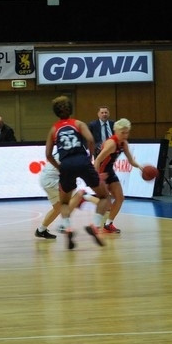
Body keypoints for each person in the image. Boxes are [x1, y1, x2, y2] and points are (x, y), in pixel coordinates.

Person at [45, 95, 111, 249]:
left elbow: (48, 155)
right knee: (104, 196)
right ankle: (95, 225)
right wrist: (90, 156)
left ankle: (68, 227)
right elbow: (91, 140)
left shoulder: (54, 129)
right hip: (82, 161)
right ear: (71, 109)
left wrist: (59, 167)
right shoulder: (78, 123)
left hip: (66, 164)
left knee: (64, 203)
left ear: (55, 112)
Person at [93, 118, 142, 232]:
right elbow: (97, 160)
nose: (125, 135)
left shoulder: (124, 144)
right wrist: (97, 177)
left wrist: (141, 167)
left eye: (127, 132)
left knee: (120, 198)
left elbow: (131, 161)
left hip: (110, 171)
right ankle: (94, 223)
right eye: (122, 133)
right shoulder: (111, 144)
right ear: (116, 131)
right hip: (100, 171)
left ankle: (108, 224)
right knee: (106, 202)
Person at [35, 151, 91, 239]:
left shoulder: (65, 149)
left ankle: (41, 230)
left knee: (57, 208)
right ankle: (63, 225)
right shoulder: (73, 153)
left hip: (46, 178)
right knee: (79, 195)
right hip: (52, 180)